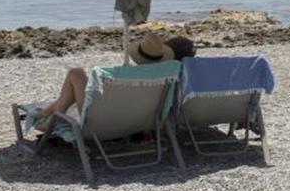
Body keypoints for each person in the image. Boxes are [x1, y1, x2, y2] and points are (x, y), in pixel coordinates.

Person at [30, 32, 196, 131]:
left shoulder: (126, 75)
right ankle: (47, 113)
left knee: (76, 73)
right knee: (77, 85)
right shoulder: (165, 79)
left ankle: (50, 119)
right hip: (136, 122)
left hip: (100, 122)